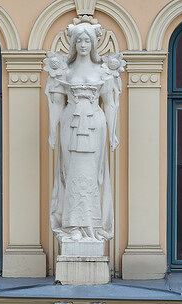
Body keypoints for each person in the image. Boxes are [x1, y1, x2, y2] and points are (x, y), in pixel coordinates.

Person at [43, 22, 124, 245]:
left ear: (94, 43)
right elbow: (57, 104)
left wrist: (113, 133)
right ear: (73, 44)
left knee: (93, 175)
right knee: (69, 173)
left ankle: (91, 226)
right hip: (70, 123)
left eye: (87, 40)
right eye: (79, 40)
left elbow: (109, 104)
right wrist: (52, 131)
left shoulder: (102, 71)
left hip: (95, 125)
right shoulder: (65, 71)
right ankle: (72, 227)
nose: (83, 44)